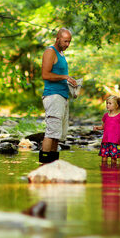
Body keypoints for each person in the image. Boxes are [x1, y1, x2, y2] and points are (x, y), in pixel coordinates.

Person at [39, 28, 77, 163]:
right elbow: (45, 75)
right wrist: (65, 77)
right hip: (53, 96)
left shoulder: (61, 54)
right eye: (65, 41)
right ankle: (43, 165)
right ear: (58, 39)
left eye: (69, 42)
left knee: (57, 135)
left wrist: (72, 86)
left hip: (62, 96)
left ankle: (53, 164)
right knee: (51, 133)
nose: (68, 44)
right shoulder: (50, 52)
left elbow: (59, 76)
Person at [93, 95, 120, 159]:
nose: (107, 105)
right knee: (104, 159)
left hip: (115, 142)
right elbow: (103, 127)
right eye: (107, 103)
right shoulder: (106, 116)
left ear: (116, 105)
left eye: (110, 103)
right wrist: (97, 127)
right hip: (105, 141)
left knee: (114, 159)